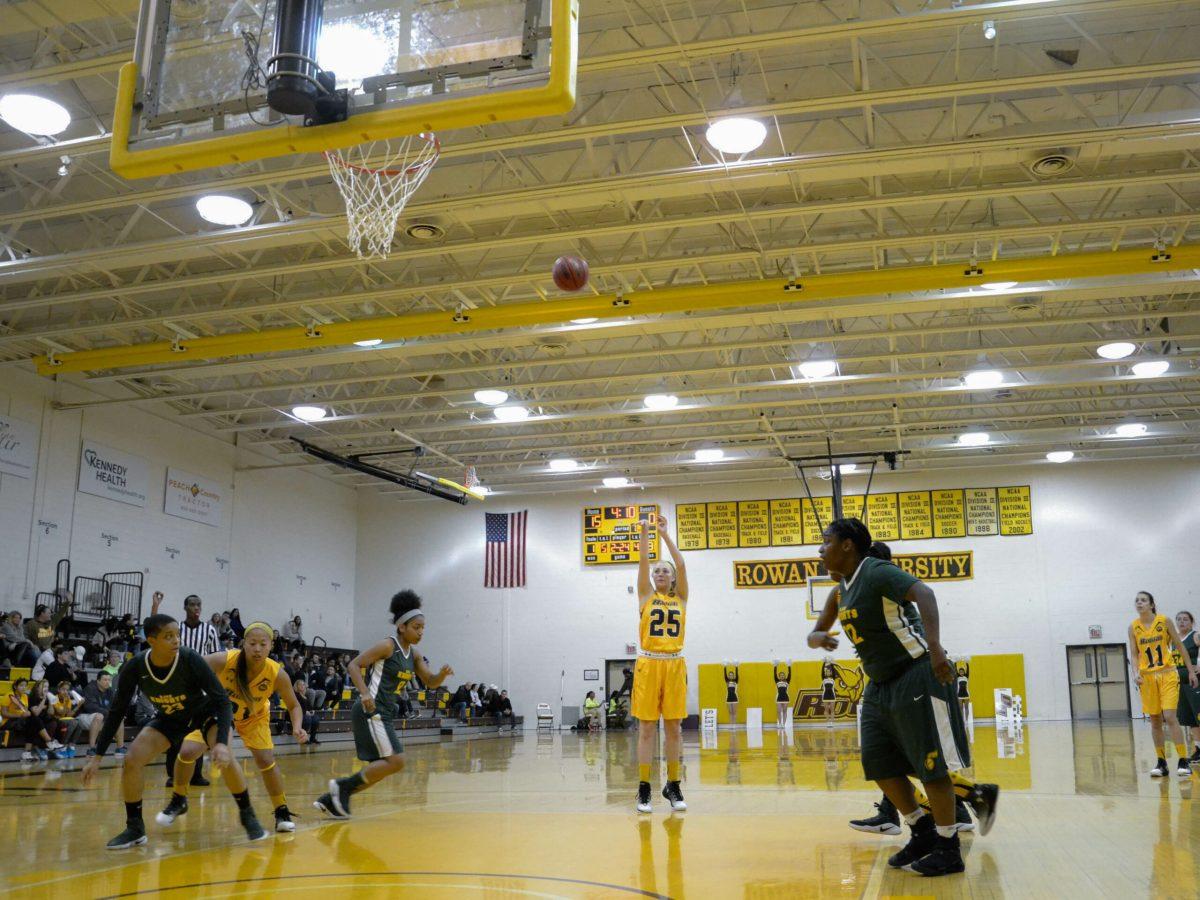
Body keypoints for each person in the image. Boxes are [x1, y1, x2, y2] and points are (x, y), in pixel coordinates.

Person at [809, 518, 995, 877]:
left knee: (931, 766)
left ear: (848, 544)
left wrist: (938, 650)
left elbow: (924, 593)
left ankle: (948, 846)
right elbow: (816, 632)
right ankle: (921, 830)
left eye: (826, 541)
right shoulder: (840, 590)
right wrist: (819, 638)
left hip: (918, 671)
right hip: (879, 684)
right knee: (879, 763)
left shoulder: (877, 572)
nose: (820, 549)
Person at [81, 613, 266, 850]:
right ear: (151, 640)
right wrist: (97, 756)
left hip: (206, 713)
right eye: (169, 636)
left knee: (224, 757)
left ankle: (247, 814)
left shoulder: (189, 658)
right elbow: (116, 712)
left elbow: (222, 701)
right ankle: (135, 827)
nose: (176, 640)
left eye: (177, 634)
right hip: (171, 716)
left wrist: (220, 743)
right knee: (132, 760)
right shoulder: (135, 666)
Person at [847, 541, 978, 838]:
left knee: (918, 755)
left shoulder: (885, 587)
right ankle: (898, 812)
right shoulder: (869, 599)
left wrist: (934, 649)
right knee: (884, 755)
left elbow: (924, 597)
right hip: (887, 680)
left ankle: (966, 800)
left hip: (914, 677)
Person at [314, 590, 454, 819]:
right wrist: (364, 693)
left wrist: (442, 674)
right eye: (416, 627)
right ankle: (341, 787)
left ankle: (332, 799)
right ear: (402, 627)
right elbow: (353, 665)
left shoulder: (414, 655)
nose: (421, 632)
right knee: (396, 761)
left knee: (380, 769)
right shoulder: (388, 646)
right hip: (372, 710)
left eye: (423, 628)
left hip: (385, 714)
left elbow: (430, 682)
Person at [161, 622, 307, 833]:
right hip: (218, 714)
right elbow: (191, 666)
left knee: (266, 760)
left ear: (270, 646)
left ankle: (281, 810)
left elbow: (294, 706)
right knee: (186, 751)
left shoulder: (277, 674)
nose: (257, 649)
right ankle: (178, 799)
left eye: (263, 644)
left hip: (254, 718)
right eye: (252, 643)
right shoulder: (224, 659)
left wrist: (297, 727)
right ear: (244, 644)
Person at [631, 511, 689, 814]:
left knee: (675, 729)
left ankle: (674, 784)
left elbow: (680, 563)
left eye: (665, 571)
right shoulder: (645, 596)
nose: (660, 574)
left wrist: (665, 534)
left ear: (673, 577)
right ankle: (644, 787)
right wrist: (644, 533)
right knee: (647, 729)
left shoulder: (681, 598)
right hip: (649, 664)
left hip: (675, 664)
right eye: (657, 572)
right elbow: (643, 562)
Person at [150, 590, 218, 788]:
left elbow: (216, 658)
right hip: (177, 686)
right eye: (192, 605)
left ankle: (196, 774)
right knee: (177, 733)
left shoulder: (210, 630)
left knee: (198, 733)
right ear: (185, 608)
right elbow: (154, 632)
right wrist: (155, 606)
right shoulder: (176, 628)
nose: (196, 608)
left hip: (201, 690)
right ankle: (173, 775)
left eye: (199, 605)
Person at [1129, 591, 1198, 777]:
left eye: (1143, 600)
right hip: (1148, 678)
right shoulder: (1133, 627)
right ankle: (1161, 762)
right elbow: (1134, 653)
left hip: (1167, 674)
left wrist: (1191, 670)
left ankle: (1183, 760)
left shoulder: (1164, 621)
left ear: (1152, 604)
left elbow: (1180, 645)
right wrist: (1136, 673)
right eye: (1137, 601)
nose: (1139, 603)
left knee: (1169, 716)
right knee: (1155, 720)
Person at [10, 679, 66, 759]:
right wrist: (43, 700)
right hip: (28, 721)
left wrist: (50, 702)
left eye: (47, 686)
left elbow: (51, 713)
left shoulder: (47, 698)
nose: (45, 688)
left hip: (38, 722)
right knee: (35, 720)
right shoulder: (33, 697)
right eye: (43, 686)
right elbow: (36, 713)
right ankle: (49, 742)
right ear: (37, 687)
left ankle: (30, 752)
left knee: (56, 722)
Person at [1175, 610, 1200, 766]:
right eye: (1179, 619)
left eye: (1185, 619)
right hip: (1179, 683)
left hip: (1195, 681)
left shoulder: (1196, 636)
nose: (1182, 622)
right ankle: (1198, 749)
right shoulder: (1174, 639)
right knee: (1190, 718)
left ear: (1191, 622)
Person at [77, 670, 122, 757]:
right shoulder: (90, 688)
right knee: (99, 716)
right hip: (85, 716)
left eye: (109, 680)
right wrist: (109, 714)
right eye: (105, 680)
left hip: (103, 716)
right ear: (98, 681)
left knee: (119, 717)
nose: (107, 682)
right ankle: (92, 748)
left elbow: (113, 707)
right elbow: (90, 707)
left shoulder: (109, 691)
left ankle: (120, 748)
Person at [294, 678, 322, 744]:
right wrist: (305, 712)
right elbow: (296, 707)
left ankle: (312, 738)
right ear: (297, 686)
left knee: (316, 718)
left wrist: (312, 710)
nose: (303, 686)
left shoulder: (305, 696)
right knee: (307, 718)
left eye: (303, 685)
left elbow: (309, 707)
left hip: (305, 714)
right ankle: (304, 738)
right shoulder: (295, 695)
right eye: (301, 685)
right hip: (297, 715)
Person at [776, 660, 793, 729]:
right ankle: (779, 723)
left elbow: (790, 675)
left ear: (784, 676)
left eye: (783, 675)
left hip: (786, 698)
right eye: (781, 675)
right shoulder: (777, 682)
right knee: (778, 711)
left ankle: (783, 724)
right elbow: (774, 674)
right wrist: (775, 666)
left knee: (784, 711)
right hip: (779, 698)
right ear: (779, 677)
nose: (782, 676)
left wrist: (789, 666)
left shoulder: (787, 682)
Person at [820, 656, 837, 727]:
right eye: (827, 672)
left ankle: (832, 723)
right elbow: (822, 672)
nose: (828, 673)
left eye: (829, 672)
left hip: (832, 695)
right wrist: (824, 663)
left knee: (832, 709)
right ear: (825, 673)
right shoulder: (823, 678)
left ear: (830, 673)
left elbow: (833, 670)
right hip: (825, 695)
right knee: (826, 709)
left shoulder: (833, 678)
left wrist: (832, 663)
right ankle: (828, 722)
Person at [955, 657, 972, 722]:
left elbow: (968, 669)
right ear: (959, 672)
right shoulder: (957, 677)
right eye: (960, 672)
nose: (961, 672)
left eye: (962, 671)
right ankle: (962, 720)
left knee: (966, 707)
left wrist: (966, 662)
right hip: (959, 695)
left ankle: (967, 720)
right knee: (961, 708)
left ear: (964, 672)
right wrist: (956, 662)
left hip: (966, 694)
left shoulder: (966, 676)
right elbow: (955, 669)